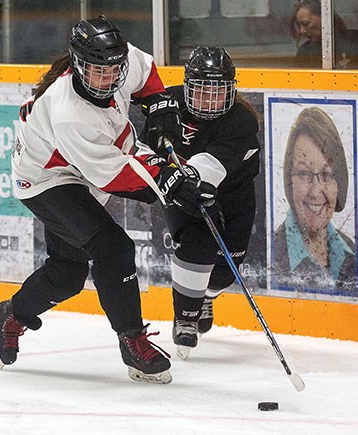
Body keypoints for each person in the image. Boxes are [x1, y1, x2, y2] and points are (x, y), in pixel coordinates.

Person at [0, 15, 215, 384]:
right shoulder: (70, 114)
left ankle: (11, 315)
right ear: (78, 65)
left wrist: (157, 104)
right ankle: (133, 342)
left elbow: (146, 71)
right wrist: (167, 180)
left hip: (84, 168)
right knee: (113, 247)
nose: (108, 79)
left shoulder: (117, 62)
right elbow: (115, 176)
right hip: (47, 177)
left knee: (67, 274)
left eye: (113, 70)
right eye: (97, 71)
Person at [140, 46, 261, 359]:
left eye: (217, 93)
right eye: (202, 91)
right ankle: (186, 317)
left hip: (233, 194)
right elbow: (142, 146)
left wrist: (195, 175)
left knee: (224, 272)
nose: (210, 100)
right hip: (181, 189)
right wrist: (166, 173)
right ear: (188, 86)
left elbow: (215, 163)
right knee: (197, 242)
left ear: (230, 91)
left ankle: (206, 294)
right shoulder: (168, 105)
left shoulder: (242, 121)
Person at [272, 107, 356, 294]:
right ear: (289, 180)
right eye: (303, 174)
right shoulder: (272, 253)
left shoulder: (351, 252)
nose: (315, 191)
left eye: (327, 174)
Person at [290, 0, 358, 69]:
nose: (301, 31)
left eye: (306, 23)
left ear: (324, 17)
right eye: (299, 25)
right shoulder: (305, 53)